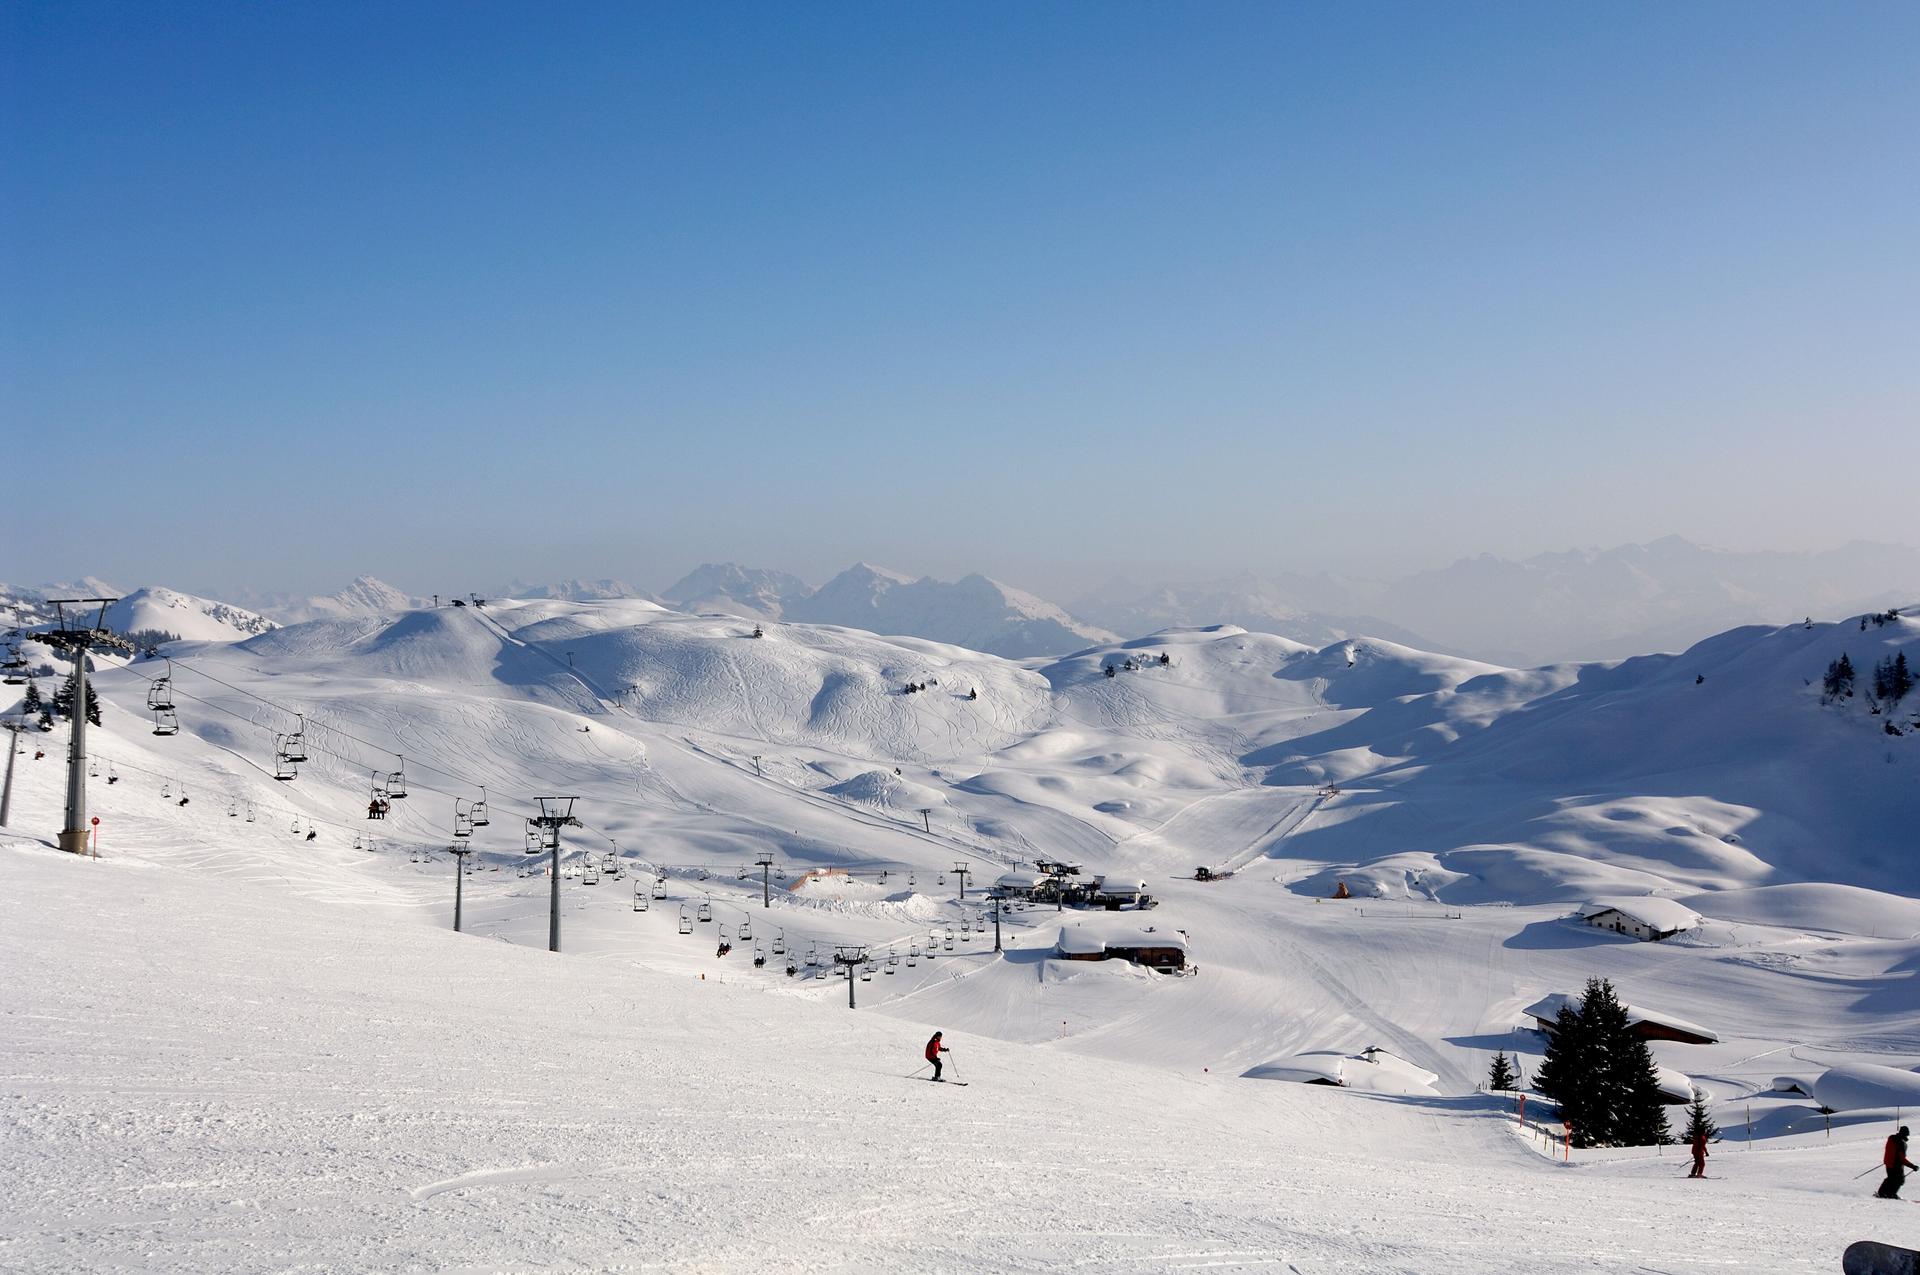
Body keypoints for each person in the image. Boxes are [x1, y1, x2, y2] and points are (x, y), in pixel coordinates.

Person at [1878, 1126, 1916, 1199]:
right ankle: (1891, 1194)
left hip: (1888, 1162)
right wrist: (1912, 1166)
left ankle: (1882, 1193)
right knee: (1900, 1179)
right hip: (1895, 1164)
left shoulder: (1892, 1138)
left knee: (1891, 1178)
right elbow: (1902, 1159)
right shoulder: (1901, 1143)